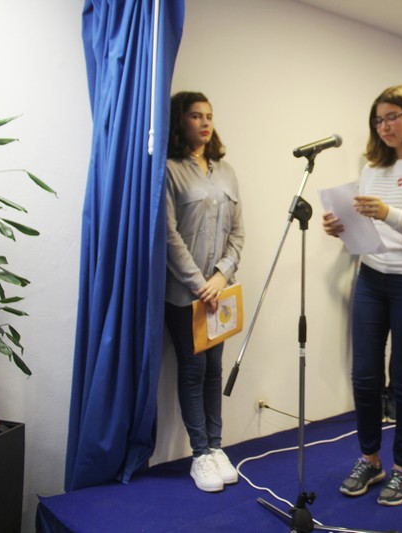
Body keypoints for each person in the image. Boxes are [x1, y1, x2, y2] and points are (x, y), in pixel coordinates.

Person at [322, 84, 402, 506]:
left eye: (392, 117)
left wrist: (388, 213)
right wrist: (341, 228)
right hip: (371, 278)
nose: (384, 126)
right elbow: (366, 228)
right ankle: (370, 460)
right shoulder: (371, 167)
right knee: (364, 376)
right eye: (378, 120)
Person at [164, 91, 245, 493]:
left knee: (215, 371)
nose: (205, 122)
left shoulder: (226, 172)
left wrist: (221, 276)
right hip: (185, 295)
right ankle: (199, 454)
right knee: (193, 369)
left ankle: (216, 447)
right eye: (196, 115)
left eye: (209, 115)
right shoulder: (169, 170)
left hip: (219, 293)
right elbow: (168, 235)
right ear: (180, 121)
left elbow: (238, 233)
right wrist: (199, 283)